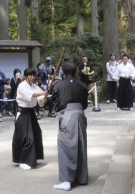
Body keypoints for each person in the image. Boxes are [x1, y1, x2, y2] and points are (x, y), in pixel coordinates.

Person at [52, 62, 88, 191]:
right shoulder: (82, 85)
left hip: (67, 114)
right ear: (75, 72)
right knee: (81, 144)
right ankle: (81, 177)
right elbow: (85, 104)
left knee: (65, 146)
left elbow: (55, 104)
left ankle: (67, 180)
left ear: (63, 73)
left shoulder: (59, 85)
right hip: (80, 114)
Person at [12, 68, 47, 170]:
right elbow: (32, 95)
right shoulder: (22, 86)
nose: (32, 77)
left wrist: (43, 100)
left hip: (31, 113)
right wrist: (44, 93)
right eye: (30, 75)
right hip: (22, 114)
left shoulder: (34, 86)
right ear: (25, 77)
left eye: (33, 75)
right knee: (27, 138)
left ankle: (33, 158)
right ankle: (23, 160)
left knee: (36, 134)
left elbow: (40, 100)